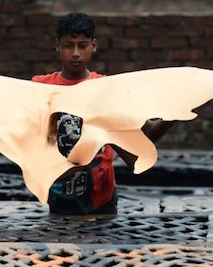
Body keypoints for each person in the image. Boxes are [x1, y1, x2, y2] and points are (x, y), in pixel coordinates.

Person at [29, 12, 175, 215]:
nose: (76, 53)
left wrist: (179, 109)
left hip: (101, 199)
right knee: (62, 245)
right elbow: (9, 128)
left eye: (82, 45)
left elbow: (147, 134)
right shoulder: (40, 88)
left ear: (93, 46)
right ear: (57, 46)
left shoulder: (106, 89)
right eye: (68, 45)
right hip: (58, 195)